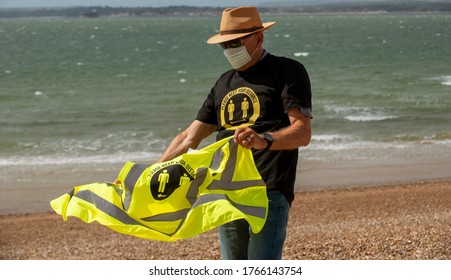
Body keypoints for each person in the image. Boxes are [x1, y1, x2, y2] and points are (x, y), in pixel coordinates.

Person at [157, 6, 312, 260]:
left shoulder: (287, 71)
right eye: (225, 45)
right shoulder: (223, 83)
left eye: (235, 43)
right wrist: (151, 173)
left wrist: (264, 140)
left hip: (267, 191)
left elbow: (302, 132)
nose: (230, 50)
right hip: (226, 194)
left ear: (259, 37)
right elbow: (189, 137)